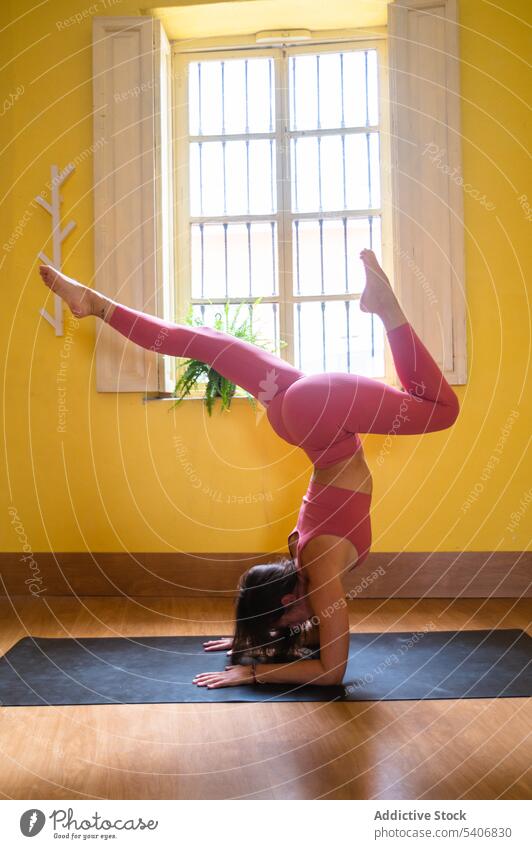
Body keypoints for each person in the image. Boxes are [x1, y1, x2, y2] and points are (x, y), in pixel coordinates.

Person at [38, 249, 459, 689]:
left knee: (443, 410)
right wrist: (251, 632)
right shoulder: (305, 558)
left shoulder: (318, 569)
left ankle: (387, 310)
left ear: (286, 599)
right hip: (293, 410)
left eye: (281, 624)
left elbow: (332, 674)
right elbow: (309, 637)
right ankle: (96, 304)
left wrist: (251, 666)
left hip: (319, 411)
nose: (293, 627)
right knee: (202, 342)